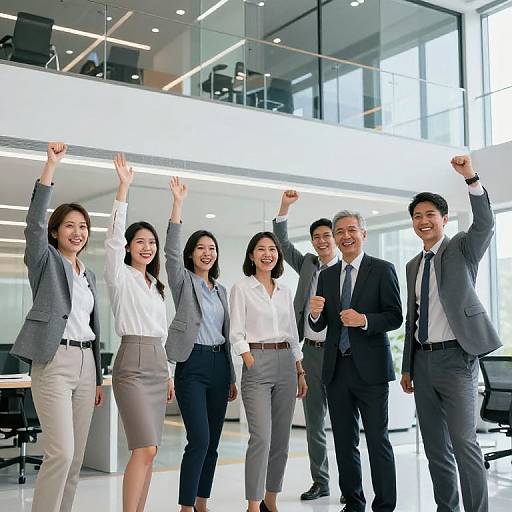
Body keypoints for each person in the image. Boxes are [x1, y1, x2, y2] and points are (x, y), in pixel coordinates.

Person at [400, 155, 502, 512]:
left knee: (464, 443)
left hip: (457, 358)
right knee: (434, 447)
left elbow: (486, 223)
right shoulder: (413, 264)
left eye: (430, 215)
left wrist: (471, 177)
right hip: (423, 363)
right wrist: (407, 367)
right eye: (417, 216)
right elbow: (413, 318)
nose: (423, 221)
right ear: (412, 223)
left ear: (443, 219)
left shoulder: (461, 248)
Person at [11, 142, 104, 512]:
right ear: (54, 232)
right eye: (69, 225)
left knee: (76, 459)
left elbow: (92, 325)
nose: (77, 232)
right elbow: (33, 223)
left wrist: (96, 376)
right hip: (53, 360)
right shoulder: (44, 261)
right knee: (60, 452)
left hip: (85, 364)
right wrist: (50, 166)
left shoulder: (89, 274)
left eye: (83, 227)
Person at [309, 210, 402, 512]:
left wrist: (363, 320)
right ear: (334, 238)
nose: (346, 236)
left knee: (377, 441)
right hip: (337, 370)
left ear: (364, 233)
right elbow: (322, 324)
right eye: (340, 232)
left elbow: (394, 316)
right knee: (344, 443)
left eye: (352, 230)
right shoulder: (326, 275)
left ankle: (385, 505)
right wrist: (313, 314)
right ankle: (354, 502)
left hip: (371, 371)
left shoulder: (382, 269)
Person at [105, 153, 173, 512]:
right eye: (140, 242)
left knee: (153, 450)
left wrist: (169, 375)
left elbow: (161, 335)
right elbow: (113, 239)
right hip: (131, 362)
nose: (147, 247)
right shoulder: (120, 277)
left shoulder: (155, 285)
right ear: (129, 247)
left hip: (158, 364)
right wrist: (123, 189)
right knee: (142, 447)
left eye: (152, 243)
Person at [166, 176, 237, 512]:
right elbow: (169, 253)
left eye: (212, 249)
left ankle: (202, 502)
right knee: (199, 439)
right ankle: (185, 507)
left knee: (214, 444)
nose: (207, 253)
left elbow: (226, 334)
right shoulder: (183, 283)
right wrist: (178, 204)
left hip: (219, 366)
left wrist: (232, 377)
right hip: (191, 364)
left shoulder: (221, 290)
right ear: (191, 254)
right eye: (200, 248)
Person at [273, 190, 344, 503]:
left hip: (340, 353)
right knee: (314, 423)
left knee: (343, 422)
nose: (322, 241)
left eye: (327, 235)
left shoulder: (347, 269)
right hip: (312, 352)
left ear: (336, 238)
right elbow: (282, 243)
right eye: (316, 237)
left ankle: (350, 486)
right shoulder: (307, 265)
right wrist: (285, 207)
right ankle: (321, 482)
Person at [230, 232, 308, 512]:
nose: (268, 254)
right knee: (261, 436)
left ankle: (270, 501)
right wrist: (250, 360)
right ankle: (253, 505)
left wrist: (299, 368)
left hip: (286, 363)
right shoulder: (242, 288)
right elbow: (236, 331)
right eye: (261, 249)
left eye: (272, 249)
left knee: (281, 440)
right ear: (251, 256)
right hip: (257, 361)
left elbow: (292, 332)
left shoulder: (285, 290)